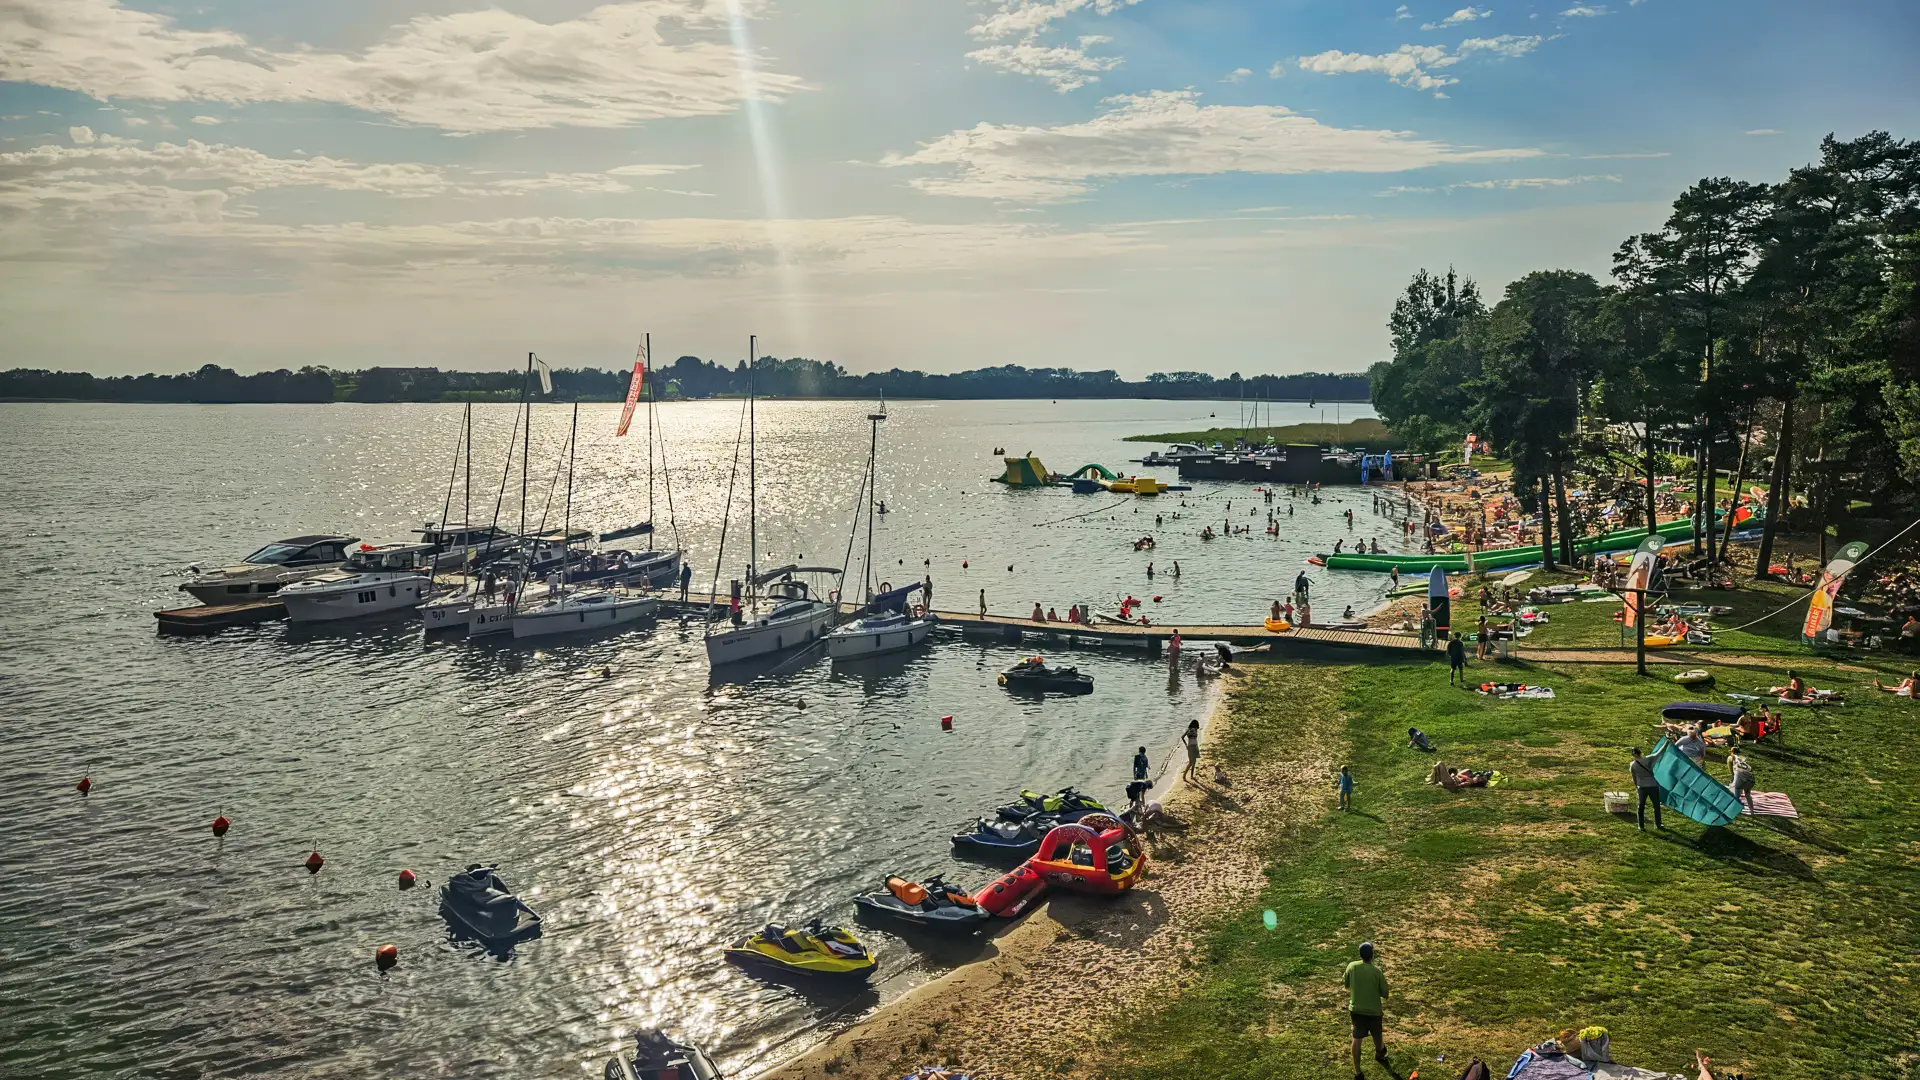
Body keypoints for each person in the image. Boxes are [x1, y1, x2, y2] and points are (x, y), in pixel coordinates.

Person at [1344, 941, 1390, 1079]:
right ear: (1372, 955)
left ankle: (1358, 1072)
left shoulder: (1352, 966)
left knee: (1357, 1039)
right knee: (1377, 1035)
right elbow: (1385, 993)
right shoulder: (1377, 972)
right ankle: (1380, 1054)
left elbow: (1346, 984)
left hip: (1356, 1010)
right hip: (1374, 1012)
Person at [1630, 747, 1663, 830]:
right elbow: (1659, 753)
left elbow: (1634, 778)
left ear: (1633, 755)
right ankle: (1658, 824)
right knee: (1656, 806)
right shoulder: (1648, 759)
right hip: (1653, 786)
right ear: (1640, 752)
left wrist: (1637, 787)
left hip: (1642, 787)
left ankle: (1641, 826)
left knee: (1641, 806)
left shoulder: (1632, 764)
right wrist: (1666, 744)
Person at [1181, 718, 1201, 782]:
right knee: (1191, 762)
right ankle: (1184, 776)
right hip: (1190, 747)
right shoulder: (1189, 730)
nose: (1197, 727)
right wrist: (1186, 745)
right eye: (1197, 725)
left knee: (1194, 762)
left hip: (1195, 746)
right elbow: (1182, 737)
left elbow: (1195, 739)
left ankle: (1192, 776)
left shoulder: (1194, 730)